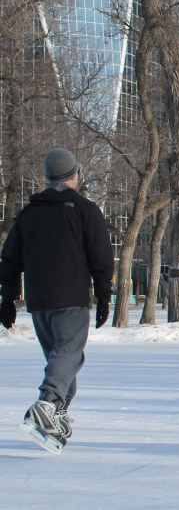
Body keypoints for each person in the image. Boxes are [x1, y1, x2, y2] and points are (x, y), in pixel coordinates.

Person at [0, 148, 114, 453]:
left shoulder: (28, 214)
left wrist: (8, 300)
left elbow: (9, 260)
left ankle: (58, 414)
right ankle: (48, 403)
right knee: (68, 354)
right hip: (71, 296)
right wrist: (104, 297)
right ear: (75, 175)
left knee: (62, 357)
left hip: (39, 301)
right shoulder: (84, 210)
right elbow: (102, 257)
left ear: (47, 177)